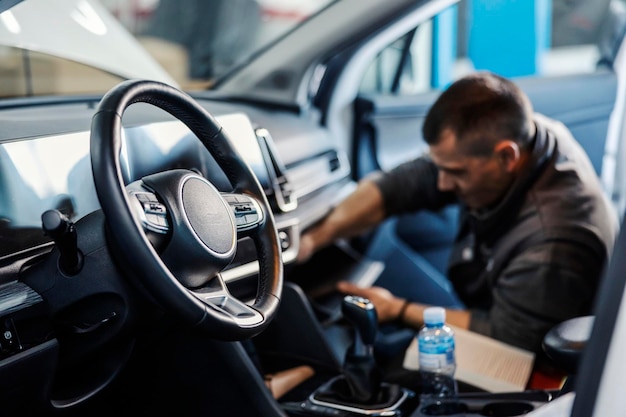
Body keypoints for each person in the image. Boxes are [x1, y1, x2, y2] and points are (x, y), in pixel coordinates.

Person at [298, 71, 619, 354]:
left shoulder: (554, 242)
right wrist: (313, 239)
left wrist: (397, 309)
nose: (442, 183)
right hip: (500, 302)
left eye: (456, 172)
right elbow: (404, 184)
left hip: (529, 358)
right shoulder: (528, 135)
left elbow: (505, 339)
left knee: (386, 358)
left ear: (507, 157)